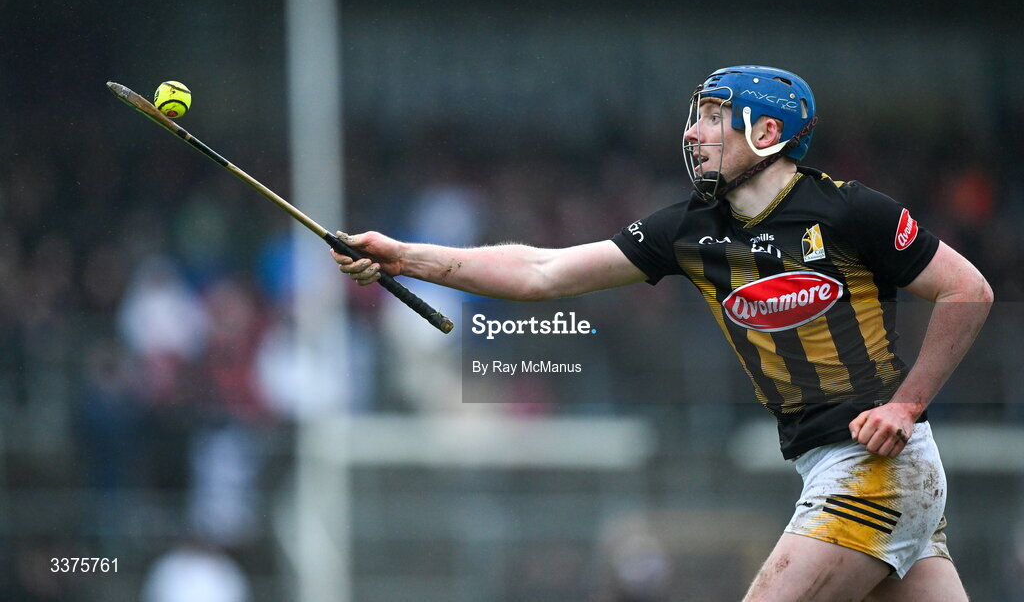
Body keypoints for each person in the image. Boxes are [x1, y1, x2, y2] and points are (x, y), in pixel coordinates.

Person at [331, 65, 992, 601]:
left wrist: (906, 403)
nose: (693, 133)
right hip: (840, 465)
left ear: (768, 131)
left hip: (875, 469)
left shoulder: (849, 210)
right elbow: (541, 272)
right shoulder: (690, 229)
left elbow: (968, 290)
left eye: (714, 117)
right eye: (695, 117)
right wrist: (405, 257)